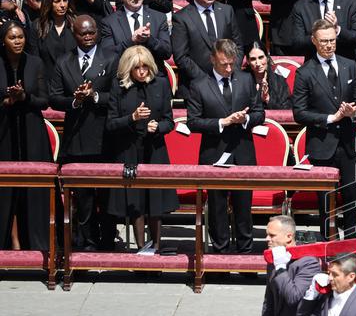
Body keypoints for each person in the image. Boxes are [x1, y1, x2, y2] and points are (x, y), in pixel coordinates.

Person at [185, 39, 264, 254]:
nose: (228, 69)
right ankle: (220, 255)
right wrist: (224, 122)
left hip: (242, 153)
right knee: (218, 209)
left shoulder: (247, 80)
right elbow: (192, 122)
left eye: (231, 63)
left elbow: (260, 113)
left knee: (243, 207)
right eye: (223, 64)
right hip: (214, 153)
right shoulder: (199, 85)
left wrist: (244, 120)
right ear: (212, 59)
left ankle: (246, 252)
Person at [47, 15, 118, 250]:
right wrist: (75, 101)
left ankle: (107, 239)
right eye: (82, 34)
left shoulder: (111, 58)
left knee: (106, 194)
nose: (88, 37)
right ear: (74, 35)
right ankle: (87, 241)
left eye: (91, 32)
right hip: (77, 137)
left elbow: (120, 96)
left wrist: (95, 97)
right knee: (84, 196)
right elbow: (54, 97)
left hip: (105, 136)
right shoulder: (63, 61)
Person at [291, 18, 356, 236]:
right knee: (325, 200)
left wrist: (355, 111)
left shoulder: (349, 65)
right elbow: (299, 113)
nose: (329, 45)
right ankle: (327, 244)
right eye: (324, 41)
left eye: (332, 40)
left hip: (349, 142)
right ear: (314, 41)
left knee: (352, 194)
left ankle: (351, 241)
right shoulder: (305, 72)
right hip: (322, 144)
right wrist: (330, 118)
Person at [104, 45, 176, 251]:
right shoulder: (119, 87)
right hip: (129, 149)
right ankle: (142, 250)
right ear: (129, 68)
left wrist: (158, 126)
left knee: (156, 202)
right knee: (136, 203)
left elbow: (170, 121)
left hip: (155, 149)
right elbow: (110, 124)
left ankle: (158, 247)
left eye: (145, 67)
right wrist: (132, 118)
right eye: (137, 68)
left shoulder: (160, 84)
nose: (142, 71)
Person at [0, 19, 50, 251]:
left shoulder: (36, 62)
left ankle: (36, 243)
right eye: (12, 37)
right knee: (6, 190)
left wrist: (24, 98)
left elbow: (44, 100)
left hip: (32, 133)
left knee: (33, 189)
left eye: (20, 37)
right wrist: (7, 101)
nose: (18, 41)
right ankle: (11, 241)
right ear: (3, 41)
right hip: (5, 133)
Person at [171, 0, 246, 100]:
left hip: (228, 83)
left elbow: (238, 45)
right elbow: (181, 57)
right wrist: (207, 81)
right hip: (196, 87)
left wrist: (231, 71)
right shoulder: (181, 18)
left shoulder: (227, 11)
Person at [98, 0, 172, 70]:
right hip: (123, 78)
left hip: (154, 78)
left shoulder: (158, 18)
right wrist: (131, 41)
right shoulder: (109, 22)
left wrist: (149, 39)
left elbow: (166, 53)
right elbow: (107, 55)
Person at [32, 0, 75, 68]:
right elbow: (34, 59)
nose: (62, 5)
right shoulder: (38, 26)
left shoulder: (75, 23)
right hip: (47, 78)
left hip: (72, 78)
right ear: (49, 3)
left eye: (65, 0)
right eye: (57, 1)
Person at [245, 42, 292, 110]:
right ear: (247, 61)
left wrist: (267, 99)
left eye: (261, 57)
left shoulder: (279, 80)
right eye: (253, 59)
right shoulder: (241, 81)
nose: (258, 63)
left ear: (267, 57)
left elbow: (287, 109)